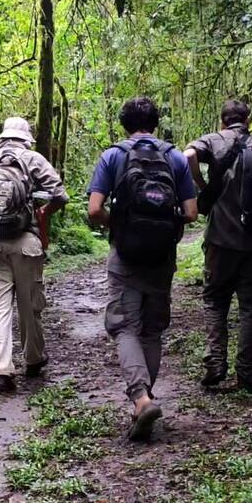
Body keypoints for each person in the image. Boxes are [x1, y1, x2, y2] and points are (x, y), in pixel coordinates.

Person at [88, 97, 198, 440]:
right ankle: (145, 400)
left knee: (123, 327)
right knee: (151, 331)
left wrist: (117, 225)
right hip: (162, 257)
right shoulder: (175, 158)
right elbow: (192, 213)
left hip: (125, 255)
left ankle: (140, 397)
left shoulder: (113, 156)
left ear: (124, 124)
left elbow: (94, 210)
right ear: (155, 122)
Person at [184, 100, 252, 392]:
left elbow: (187, 154)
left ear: (222, 120)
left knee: (216, 301)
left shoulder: (215, 140)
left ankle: (216, 363)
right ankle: (247, 374)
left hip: (221, 240)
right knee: (251, 308)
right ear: (247, 119)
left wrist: (202, 186)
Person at [0, 116, 69, 393]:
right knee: (29, 304)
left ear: (1, 138)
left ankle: (1, 373)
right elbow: (60, 195)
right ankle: (34, 359)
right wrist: (43, 212)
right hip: (27, 243)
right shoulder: (33, 159)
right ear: (26, 139)